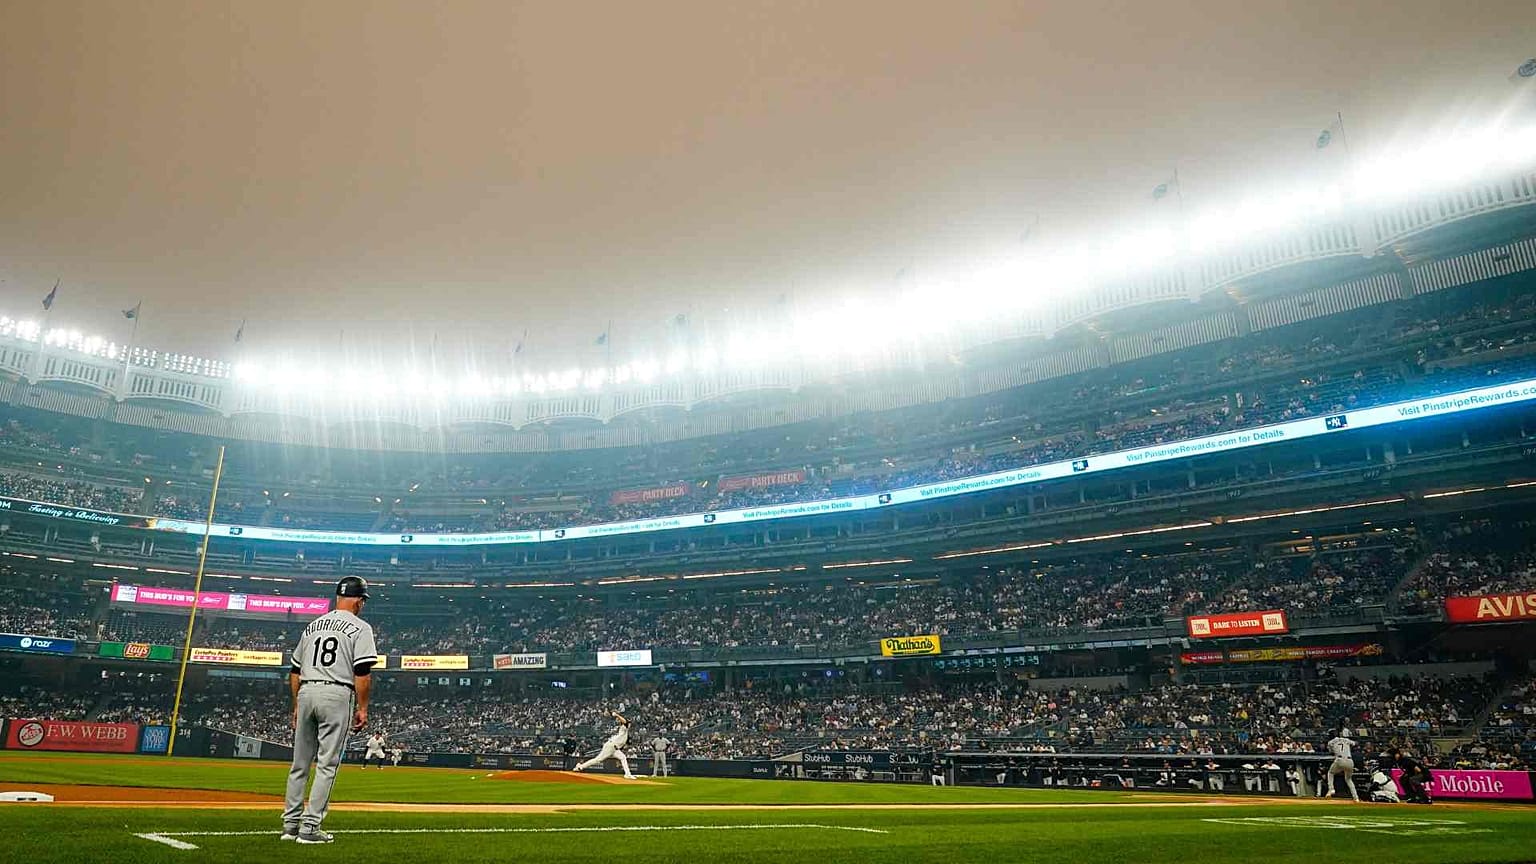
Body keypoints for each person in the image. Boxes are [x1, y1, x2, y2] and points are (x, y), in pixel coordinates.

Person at [281, 576, 379, 844]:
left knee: (299, 763)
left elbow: (294, 670)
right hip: (336, 692)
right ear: (359, 600)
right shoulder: (360, 627)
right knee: (327, 765)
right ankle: (310, 827)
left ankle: (290, 826)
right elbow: (362, 671)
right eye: (363, 601)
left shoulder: (313, 626)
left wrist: (297, 704)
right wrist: (363, 707)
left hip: (306, 690)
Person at [573, 711, 637, 779]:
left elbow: (626, 742)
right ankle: (580, 767)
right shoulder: (624, 728)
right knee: (597, 760)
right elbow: (625, 721)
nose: (630, 724)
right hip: (611, 746)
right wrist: (617, 715)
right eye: (629, 723)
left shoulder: (625, 732)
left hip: (615, 749)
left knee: (623, 757)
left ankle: (627, 774)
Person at [1323, 726, 1360, 802]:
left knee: (1331, 773)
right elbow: (1356, 743)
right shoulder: (1346, 739)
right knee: (1349, 779)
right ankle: (1356, 798)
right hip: (1350, 760)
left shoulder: (1330, 742)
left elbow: (1331, 752)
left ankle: (1331, 789)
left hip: (1340, 760)